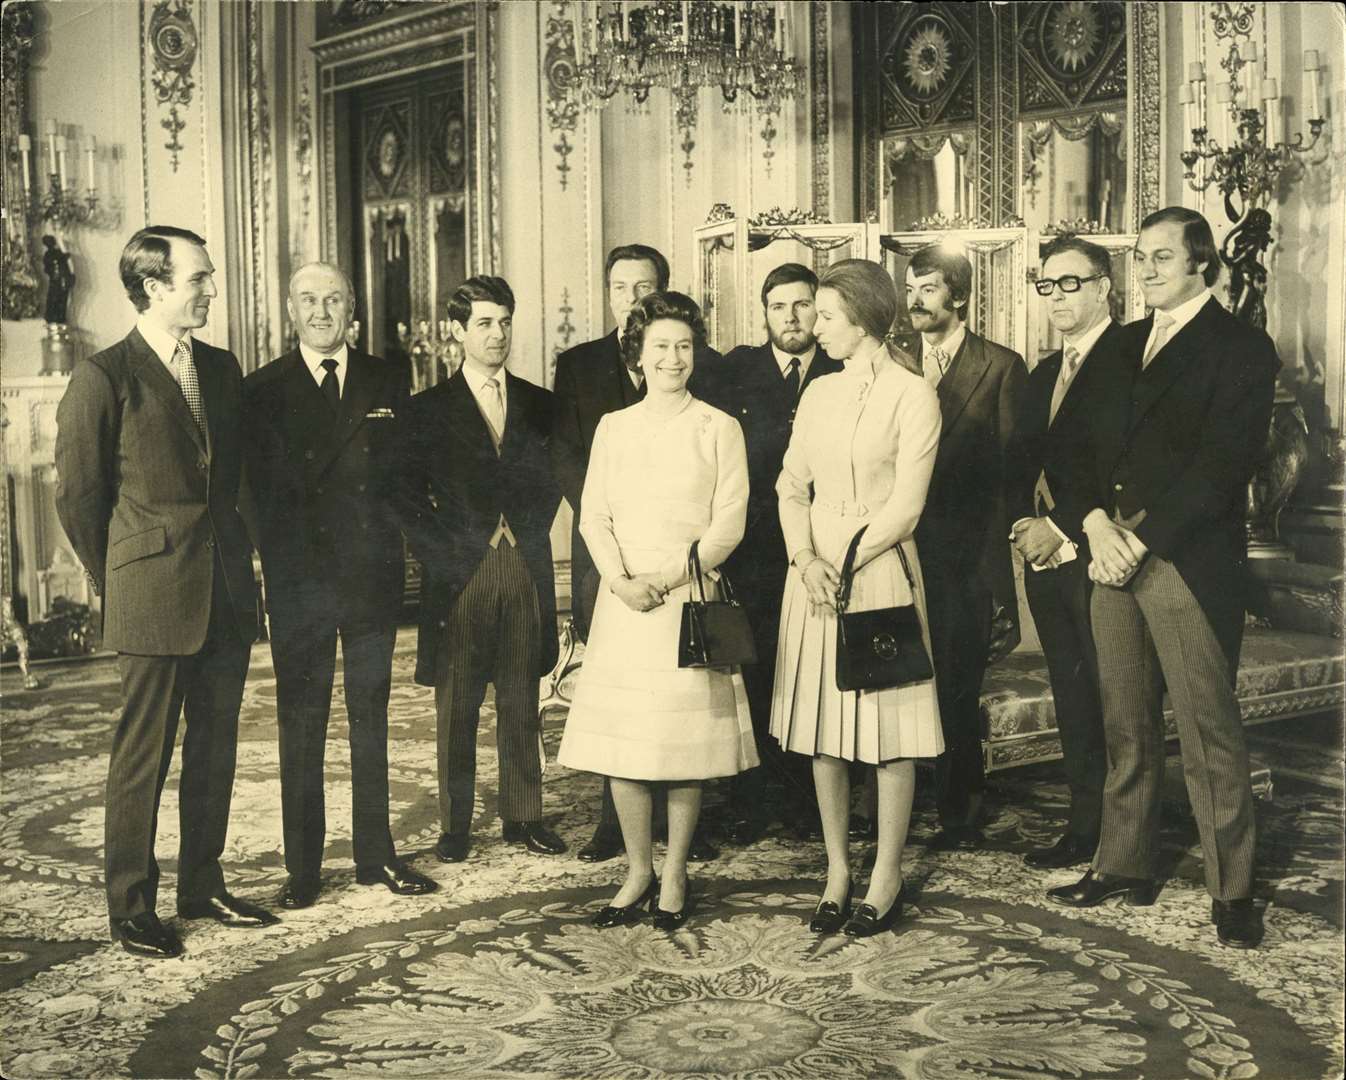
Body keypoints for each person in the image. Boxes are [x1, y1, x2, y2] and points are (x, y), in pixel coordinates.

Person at [1047, 208, 1280, 950]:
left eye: (1161, 258)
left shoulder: (1241, 347)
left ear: (1202, 265)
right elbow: (1066, 448)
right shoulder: (1117, 346)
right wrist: (1090, 525)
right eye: (1139, 257)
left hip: (1185, 561)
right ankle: (1124, 864)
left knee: (1209, 730)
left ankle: (1233, 888)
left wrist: (1136, 540)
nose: (1144, 270)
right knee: (1125, 721)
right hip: (1107, 553)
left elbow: (1222, 468)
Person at [54, 226, 277, 958]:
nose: (211, 290)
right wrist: (123, 577)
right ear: (153, 286)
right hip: (152, 592)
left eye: (209, 278)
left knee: (214, 748)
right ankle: (131, 906)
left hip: (223, 590)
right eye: (199, 279)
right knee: (142, 755)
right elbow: (82, 500)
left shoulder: (219, 367)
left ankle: (202, 883)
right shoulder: (104, 376)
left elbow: (235, 477)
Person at [241, 262, 437, 909]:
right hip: (301, 583)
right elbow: (257, 497)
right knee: (302, 723)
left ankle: (375, 857)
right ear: (289, 309)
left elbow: (407, 475)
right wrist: (276, 567)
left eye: (333, 299)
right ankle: (303, 870)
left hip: (371, 578)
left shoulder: (387, 377)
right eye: (308, 299)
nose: (320, 311)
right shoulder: (263, 388)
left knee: (371, 718)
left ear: (352, 309)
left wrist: (418, 549)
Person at [558, 291, 755, 930]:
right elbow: (594, 516)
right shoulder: (614, 427)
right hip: (625, 604)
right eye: (660, 347)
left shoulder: (719, 427)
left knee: (680, 743)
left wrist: (666, 578)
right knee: (629, 745)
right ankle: (638, 868)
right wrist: (618, 581)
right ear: (637, 357)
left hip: (687, 598)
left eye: (683, 346)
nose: (673, 358)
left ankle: (675, 872)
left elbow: (728, 526)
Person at [771, 259, 944, 938]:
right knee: (825, 730)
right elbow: (790, 486)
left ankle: (887, 872)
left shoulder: (913, 395)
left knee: (889, 732)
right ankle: (838, 868)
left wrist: (842, 559)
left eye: (827, 317)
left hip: (879, 572)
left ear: (866, 320)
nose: (814, 326)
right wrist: (805, 559)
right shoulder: (818, 393)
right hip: (815, 579)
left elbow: (906, 508)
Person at [552, 243, 720, 864]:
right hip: (616, 572)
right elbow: (577, 476)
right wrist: (619, 571)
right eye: (621, 287)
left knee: (682, 719)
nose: (633, 299)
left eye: (643, 287)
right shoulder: (584, 374)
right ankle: (620, 840)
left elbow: (725, 513)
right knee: (624, 716)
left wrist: (670, 571)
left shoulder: (713, 411)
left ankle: (679, 852)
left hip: (686, 579)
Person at [400, 275, 566, 864]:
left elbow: (556, 482)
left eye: (504, 322)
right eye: (483, 324)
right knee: (459, 703)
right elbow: (405, 497)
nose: (497, 335)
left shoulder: (540, 403)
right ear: (456, 332)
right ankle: (455, 825)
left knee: (521, 696)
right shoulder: (424, 411)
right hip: (460, 573)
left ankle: (525, 816)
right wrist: (447, 550)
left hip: (523, 563)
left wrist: (526, 532)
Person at [696, 262, 842, 845]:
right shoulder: (735, 372)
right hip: (753, 554)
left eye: (803, 304)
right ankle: (752, 801)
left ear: (819, 309)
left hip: (825, 550)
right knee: (753, 676)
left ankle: (812, 804)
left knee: (817, 674)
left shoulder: (841, 366)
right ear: (764, 313)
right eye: (779, 306)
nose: (792, 316)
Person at [894, 246, 1028, 851]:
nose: (914, 300)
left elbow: (1009, 481)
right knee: (892, 674)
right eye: (910, 288)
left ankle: (959, 813)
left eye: (927, 288)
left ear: (960, 297)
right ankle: (892, 802)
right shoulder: (892, 363)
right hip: (895, 550)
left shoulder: (999, 366)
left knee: (955, 685)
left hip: (964, 560)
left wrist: (997, 581)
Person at [1006, 236, 1124, 870]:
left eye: (1069, 283)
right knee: (1072, 692)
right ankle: (1084, 825)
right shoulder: (1043, 372)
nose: (1055, 297)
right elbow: (1019, 464)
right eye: (1046, 285)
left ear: (1104, 286)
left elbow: (1121, 470)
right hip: (1045, 562)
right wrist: (1025, 524)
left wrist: (1064, 528)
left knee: (1116, 695)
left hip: (1103, 557)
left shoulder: (1131, 358)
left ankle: (1121, 833)